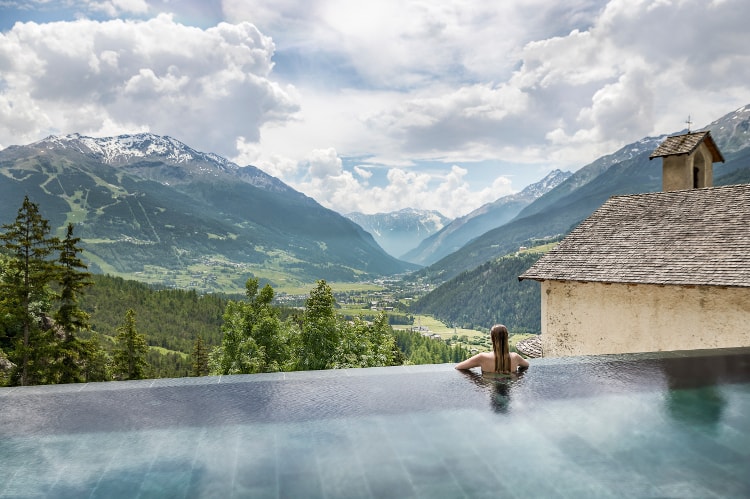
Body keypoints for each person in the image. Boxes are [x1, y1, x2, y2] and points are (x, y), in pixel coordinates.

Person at [454, 324, 529, 374]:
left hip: (490, 389)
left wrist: (477, 381)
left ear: (492, 339)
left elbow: (459, 367)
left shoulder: (482, 357)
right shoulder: (515, 357)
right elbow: (526, 365)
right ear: (506, 338)